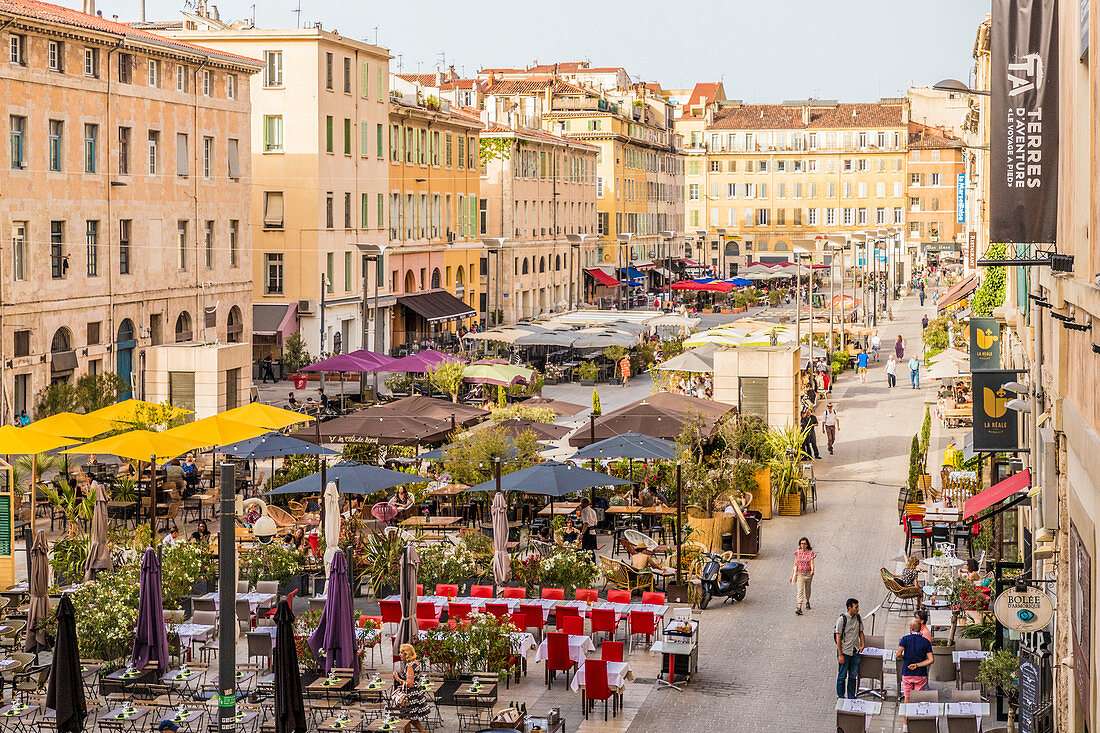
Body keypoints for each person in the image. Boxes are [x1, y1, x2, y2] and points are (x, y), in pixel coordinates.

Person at [392, 644, 430, 733]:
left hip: (410, 696)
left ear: (407, 654)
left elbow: (410, 684)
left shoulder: (410, 665)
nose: (400, 654)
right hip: (416, 693)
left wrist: (397, 678)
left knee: (408, 718)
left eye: (402, 653)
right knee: (408, 718)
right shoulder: (415, 662)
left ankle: (423, 732)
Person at [834, 598, 865, 699]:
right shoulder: (842, 619)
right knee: (842, 676)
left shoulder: (858, 618)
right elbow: (838, 637)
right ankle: (841, 697)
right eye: (856, 607)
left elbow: (861, 632)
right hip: (845, 652)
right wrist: (840, 654)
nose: (858, 609)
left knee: (853, 676)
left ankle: (851, 697)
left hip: (855, 652)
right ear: (849, 608)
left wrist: (862, 644)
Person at [897, 618, 934, 701]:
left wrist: (903, 658)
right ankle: (916, 713)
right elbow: (931, 660)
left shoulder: (905, 639)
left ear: (911, 628)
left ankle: (907, 713)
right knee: (918, 697)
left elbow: (898, 654)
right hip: (920, 673)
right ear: (920, 628)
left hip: (907, 672)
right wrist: (917, 665)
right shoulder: (926, 642)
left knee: (907, 696)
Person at [790, 537, 816, 615]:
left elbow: (812, 563)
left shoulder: (810, 553)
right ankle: (799, 607)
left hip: (808, 574)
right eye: (801, 543)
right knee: (800, 590)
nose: (803, 545)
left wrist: (812, 570)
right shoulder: (797, 553)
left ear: (807, 544)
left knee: (808, 589)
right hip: (800, 574)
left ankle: (807, 601)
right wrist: (792, 575)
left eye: (804, 543)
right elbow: (795, 564)